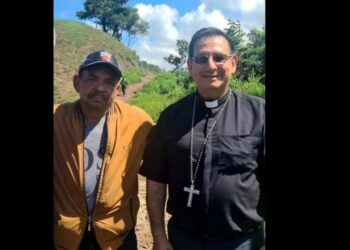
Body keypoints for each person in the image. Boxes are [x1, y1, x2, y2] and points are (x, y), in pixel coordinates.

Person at [140, 27, 265, 250]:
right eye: (201, 58)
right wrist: (158, 237)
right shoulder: (171, 117)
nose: (210, 66)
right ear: (190, 66)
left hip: (244, 243)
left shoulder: (259, 113)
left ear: (234, 63)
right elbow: (156, 180)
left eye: (219, 57)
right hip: (183, 240)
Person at [54, 50, 154, 250]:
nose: (100, 87)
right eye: (92, 78)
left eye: (109, 82)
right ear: (76, 83)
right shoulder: (57, 119)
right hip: (66, 235)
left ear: (117, 89)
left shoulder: (138, 122)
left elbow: (168, 155)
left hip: (117, 236)